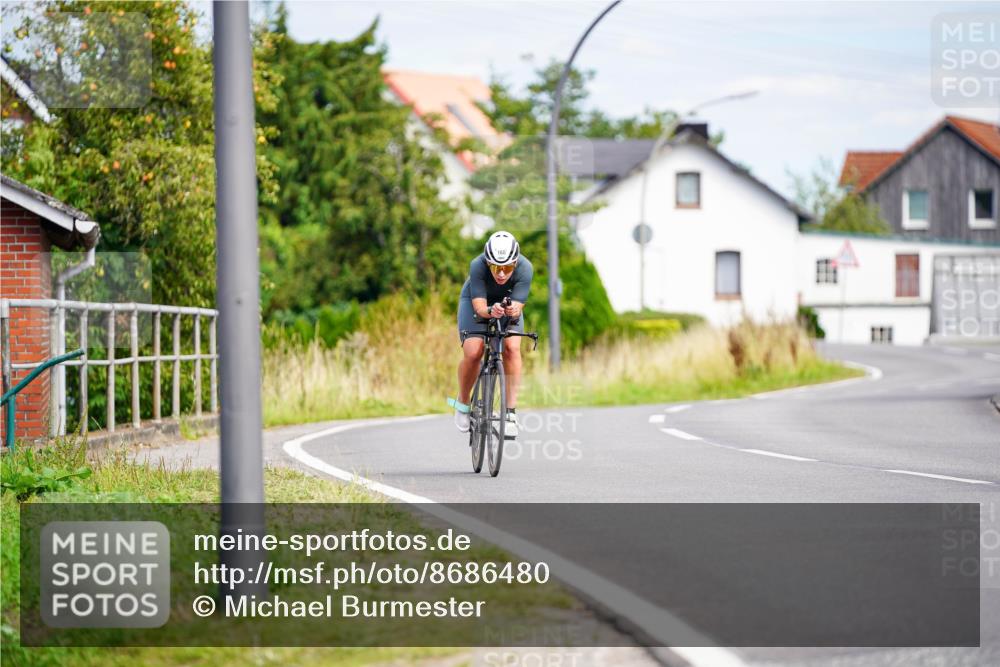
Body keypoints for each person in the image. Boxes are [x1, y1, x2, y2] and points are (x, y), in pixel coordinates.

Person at [451, 231, 533, 440]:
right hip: (475, 301)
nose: (502, 274)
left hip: (506, 303)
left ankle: (510, 414)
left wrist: (513, 310)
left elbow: (519, 302)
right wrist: (490, 311)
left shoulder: (525, 268)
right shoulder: (477, 265)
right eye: (496, 268)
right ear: (488, 262)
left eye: (507, 268)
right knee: (473, 351)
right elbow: (479, 307)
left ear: (515, 263)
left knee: (512, 348)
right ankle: (462, 402)